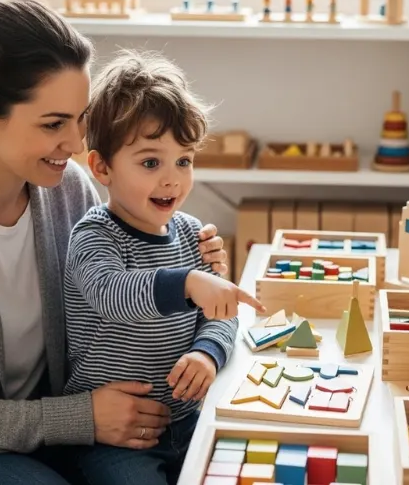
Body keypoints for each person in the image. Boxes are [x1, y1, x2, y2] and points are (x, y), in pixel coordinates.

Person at [0, 0, 239, 485]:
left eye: (79, 119)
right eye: (53, 124)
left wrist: (194, 270)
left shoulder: (66, 188)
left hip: (63, 426)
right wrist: (81, 417)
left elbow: (116, 283)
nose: (77, 144)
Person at [62, 50, 264, 485]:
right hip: (113, 440)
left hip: (188, 420)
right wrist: (191, 282)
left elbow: (222, 314)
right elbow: (113, 294)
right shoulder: (94, 235)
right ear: (101, 167)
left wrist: (207, 352)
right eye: (151, 162)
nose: (172, 179)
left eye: (184, 160)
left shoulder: (192, 234)